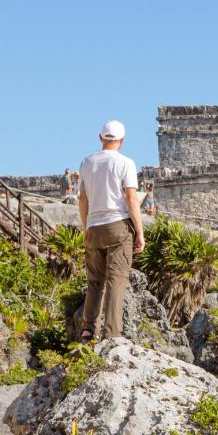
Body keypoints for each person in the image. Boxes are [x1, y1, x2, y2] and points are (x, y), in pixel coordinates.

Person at [78, 120, 144, 342]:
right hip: (118, 226)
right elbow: (131, 199)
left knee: (95, 281)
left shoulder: (87, 163)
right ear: (122, 141)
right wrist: (140, 233)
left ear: (100, 138)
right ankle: (111, 334)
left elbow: (83, 199)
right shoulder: (126, 163)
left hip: (93, 226)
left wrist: (85, 226)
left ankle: (88, 329)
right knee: (116, 280)